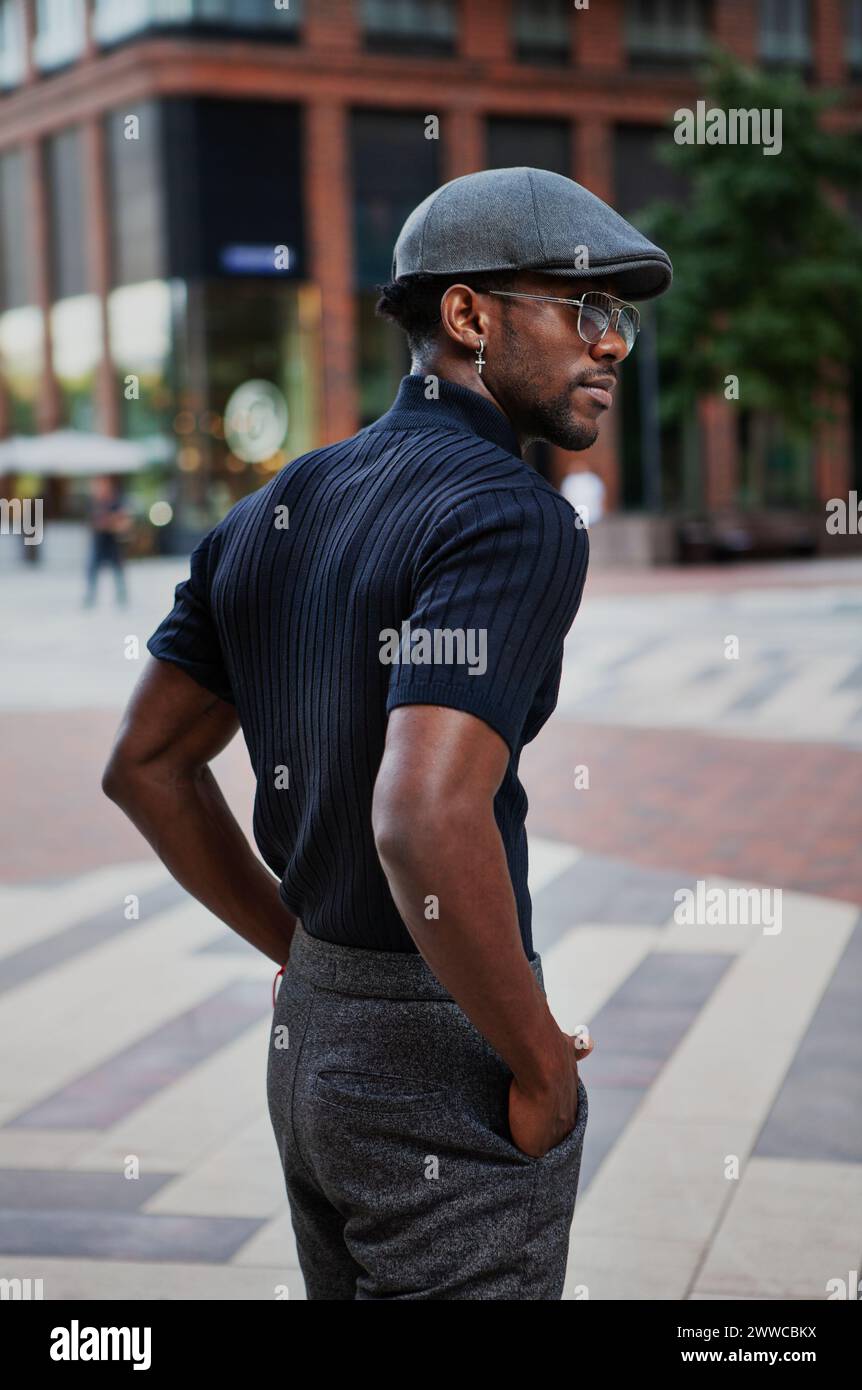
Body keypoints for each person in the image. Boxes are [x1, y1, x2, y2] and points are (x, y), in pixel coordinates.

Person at [102, 166, 672, 1300]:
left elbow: (147, 766)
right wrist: (539, 1065)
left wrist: (296, 954)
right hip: (436, 1049)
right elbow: (421, 815)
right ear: (466, 316)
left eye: (619, 318)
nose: (611, 345)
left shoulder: (277, 504)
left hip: (311, 1040)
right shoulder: (511, 516)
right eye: (583, 308)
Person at [83, 475, 131, 607]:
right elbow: (93, 523)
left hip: (112, 543)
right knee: (92, 571)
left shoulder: (115, 502)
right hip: (98, 543)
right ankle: (90, 597)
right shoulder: (94, 503)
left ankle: (122, 597)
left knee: (118, 571)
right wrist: (110, 521)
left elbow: (123, 522)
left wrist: (109, 522)